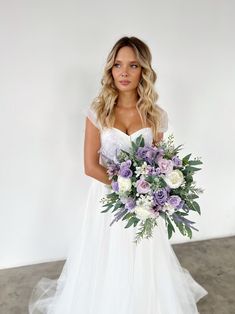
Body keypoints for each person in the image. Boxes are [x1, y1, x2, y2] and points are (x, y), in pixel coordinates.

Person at [28, 36, 208, 314]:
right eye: (118, 65)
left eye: (133, 65)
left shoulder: (156, 115)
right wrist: (129, 190)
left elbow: (163, 162)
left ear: (143, 71)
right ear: (110, 69)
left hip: (142, 208)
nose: (124, 72)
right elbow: (90, 165)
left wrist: (148, 193)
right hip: (107, 201)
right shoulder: (98, 112)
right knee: (106, 256)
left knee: (142, 256)